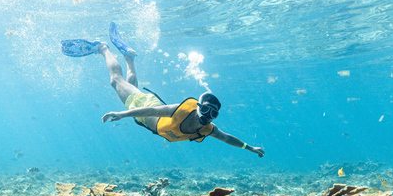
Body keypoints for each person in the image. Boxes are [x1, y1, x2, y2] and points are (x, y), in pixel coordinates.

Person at [61, 23, 265, 157]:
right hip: (143, 106)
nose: (208, 116)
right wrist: (122, 114)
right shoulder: (182, 109)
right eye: (206, 110)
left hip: (146, 108)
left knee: (131, 86)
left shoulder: (207, 129)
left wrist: (251, 148)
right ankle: (102, 48)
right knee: (116, 80)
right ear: (198, 107)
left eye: (214, 114)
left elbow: (228, 138)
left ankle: (128, 56)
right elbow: (150, 111)